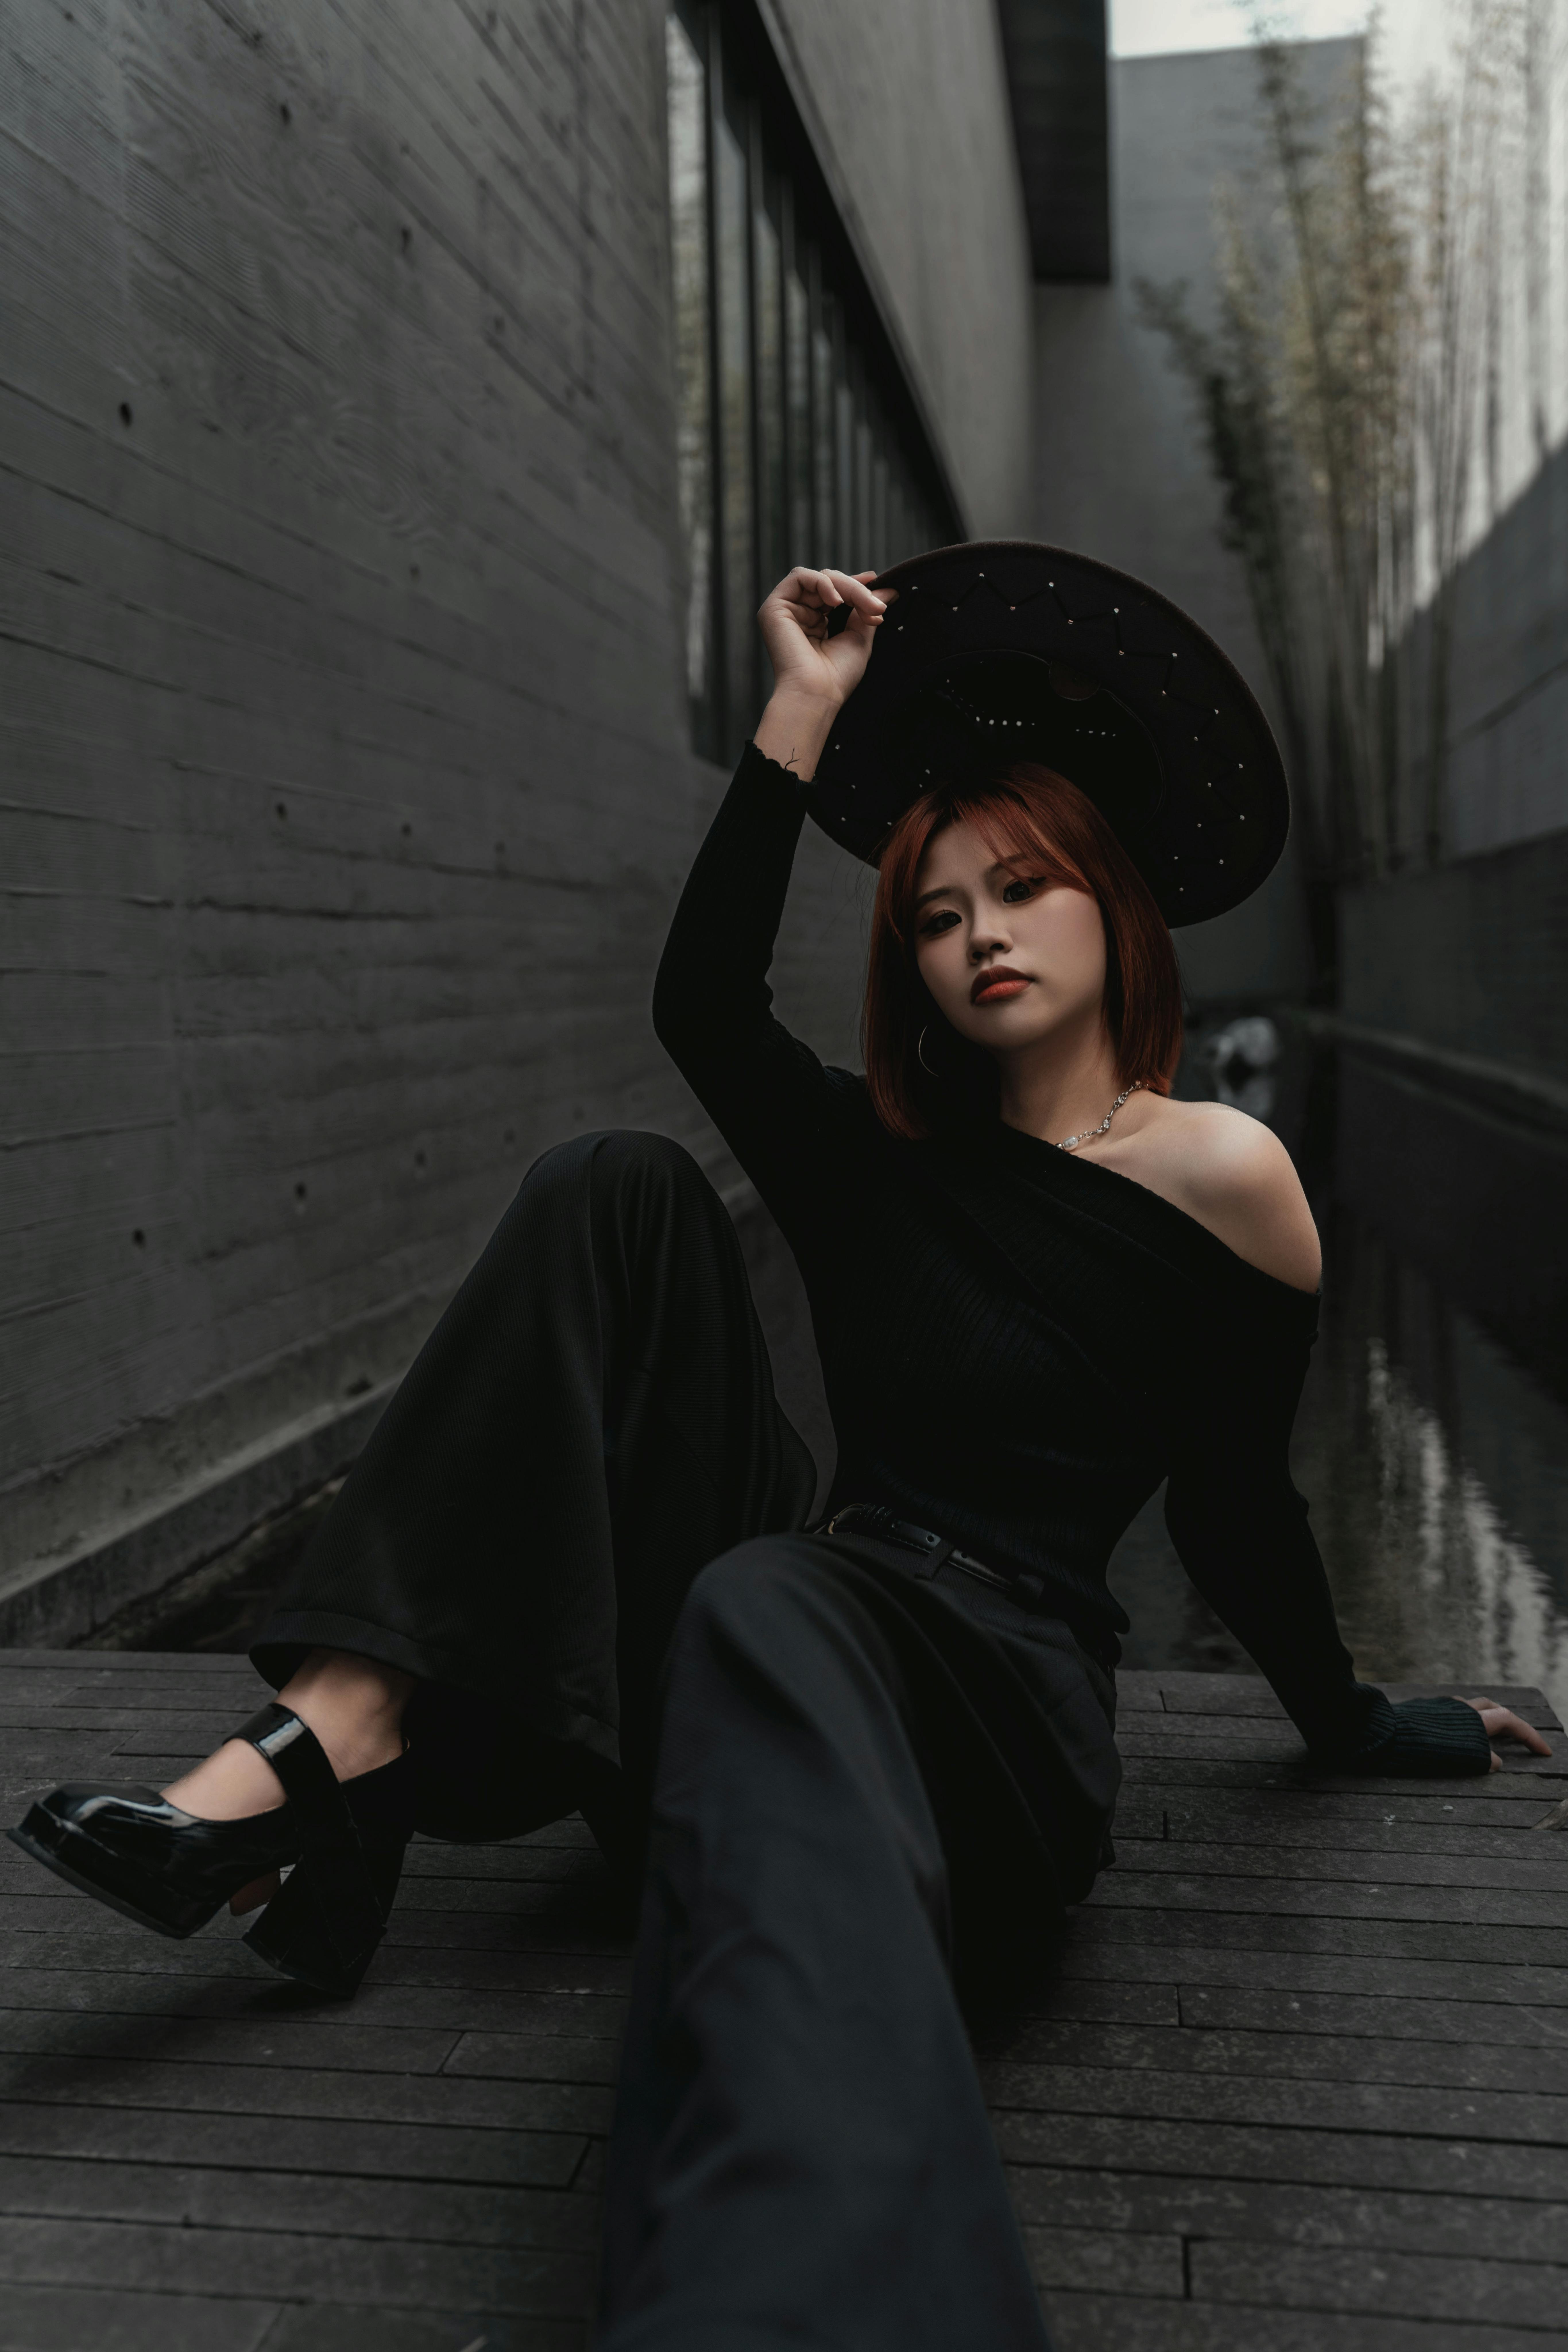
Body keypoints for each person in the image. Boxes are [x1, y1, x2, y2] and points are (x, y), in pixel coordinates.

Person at [10, 549, 1550, 2352]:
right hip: (783, 1631)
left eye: (1024, 889)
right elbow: (702, 1009)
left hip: (984, 1714)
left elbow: (1232, 1502)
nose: (977, 932)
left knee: (774, 1592)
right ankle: (324, 1741)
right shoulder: (876, 1158)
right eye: (933, 910)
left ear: (1114, 911)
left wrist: (1357, 1718)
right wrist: (800, 710)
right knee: (619, 1190)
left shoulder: (1227, 1176)